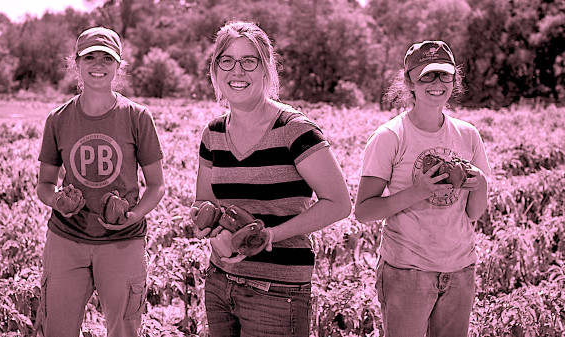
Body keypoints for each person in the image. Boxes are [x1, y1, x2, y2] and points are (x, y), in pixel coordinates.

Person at [189, 20, 351, 336]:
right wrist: (204, 226)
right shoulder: (213, 134)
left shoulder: (296, 130)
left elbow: (339, 203)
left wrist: (270, 236)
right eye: (227, 61)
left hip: (277, 291)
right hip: (220, 282)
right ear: (216, 69)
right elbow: (205, 202)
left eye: (249, 61)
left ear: (266, 68)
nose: (237, 71)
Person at [354, 40, 491, 337]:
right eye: (426, 75)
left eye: (444, 74)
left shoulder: (468, 135)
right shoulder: (390, 136)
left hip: (460, 268)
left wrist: (480, 184)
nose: (436, 83)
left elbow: (473, 213)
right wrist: (418, 191)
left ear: (454, 79)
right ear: (409, 81)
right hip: (407, 271)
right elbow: (364, 211)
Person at [35, 27, 165, 337]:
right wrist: (56, 201)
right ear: (76, 64)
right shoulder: (58, 118)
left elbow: (157, 185)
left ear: (119, 65)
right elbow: (44, 184)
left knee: (123, 330)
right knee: (57, 329)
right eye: (89, 57)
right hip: (67, 239)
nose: (98, 64)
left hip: (123, 242)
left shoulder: (137, 116)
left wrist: (132, 215)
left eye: (107, 58)